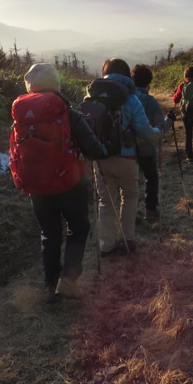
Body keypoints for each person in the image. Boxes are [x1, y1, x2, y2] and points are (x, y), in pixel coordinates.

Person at [19, 63, 106, 303]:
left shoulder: (23, 116)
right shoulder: (67, 113)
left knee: (49, 233)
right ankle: (68, 280)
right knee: (78, 229)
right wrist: (102, 150)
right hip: (69, 183)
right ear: (55, 83)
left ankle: (50, 284)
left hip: (36, 186)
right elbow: (93, 150)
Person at [95, 58, 165, 255]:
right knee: (130, 195)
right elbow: (147, 133)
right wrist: (159, 131)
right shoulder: (131, 99)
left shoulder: (94, 96)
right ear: (127, 75)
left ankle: (106, 245)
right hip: (127, 157)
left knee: (106, 201)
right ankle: (127, 240)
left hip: (100, 158)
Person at [131, 64, 175, 224]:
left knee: (131, 181)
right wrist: (170, 120)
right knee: (151, 177)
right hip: (146, 148)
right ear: (149, 82)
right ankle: (150, 211)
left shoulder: (126, 99)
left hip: (127, 149)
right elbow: (159, 126)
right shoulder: (151, 102)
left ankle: (130, 213)